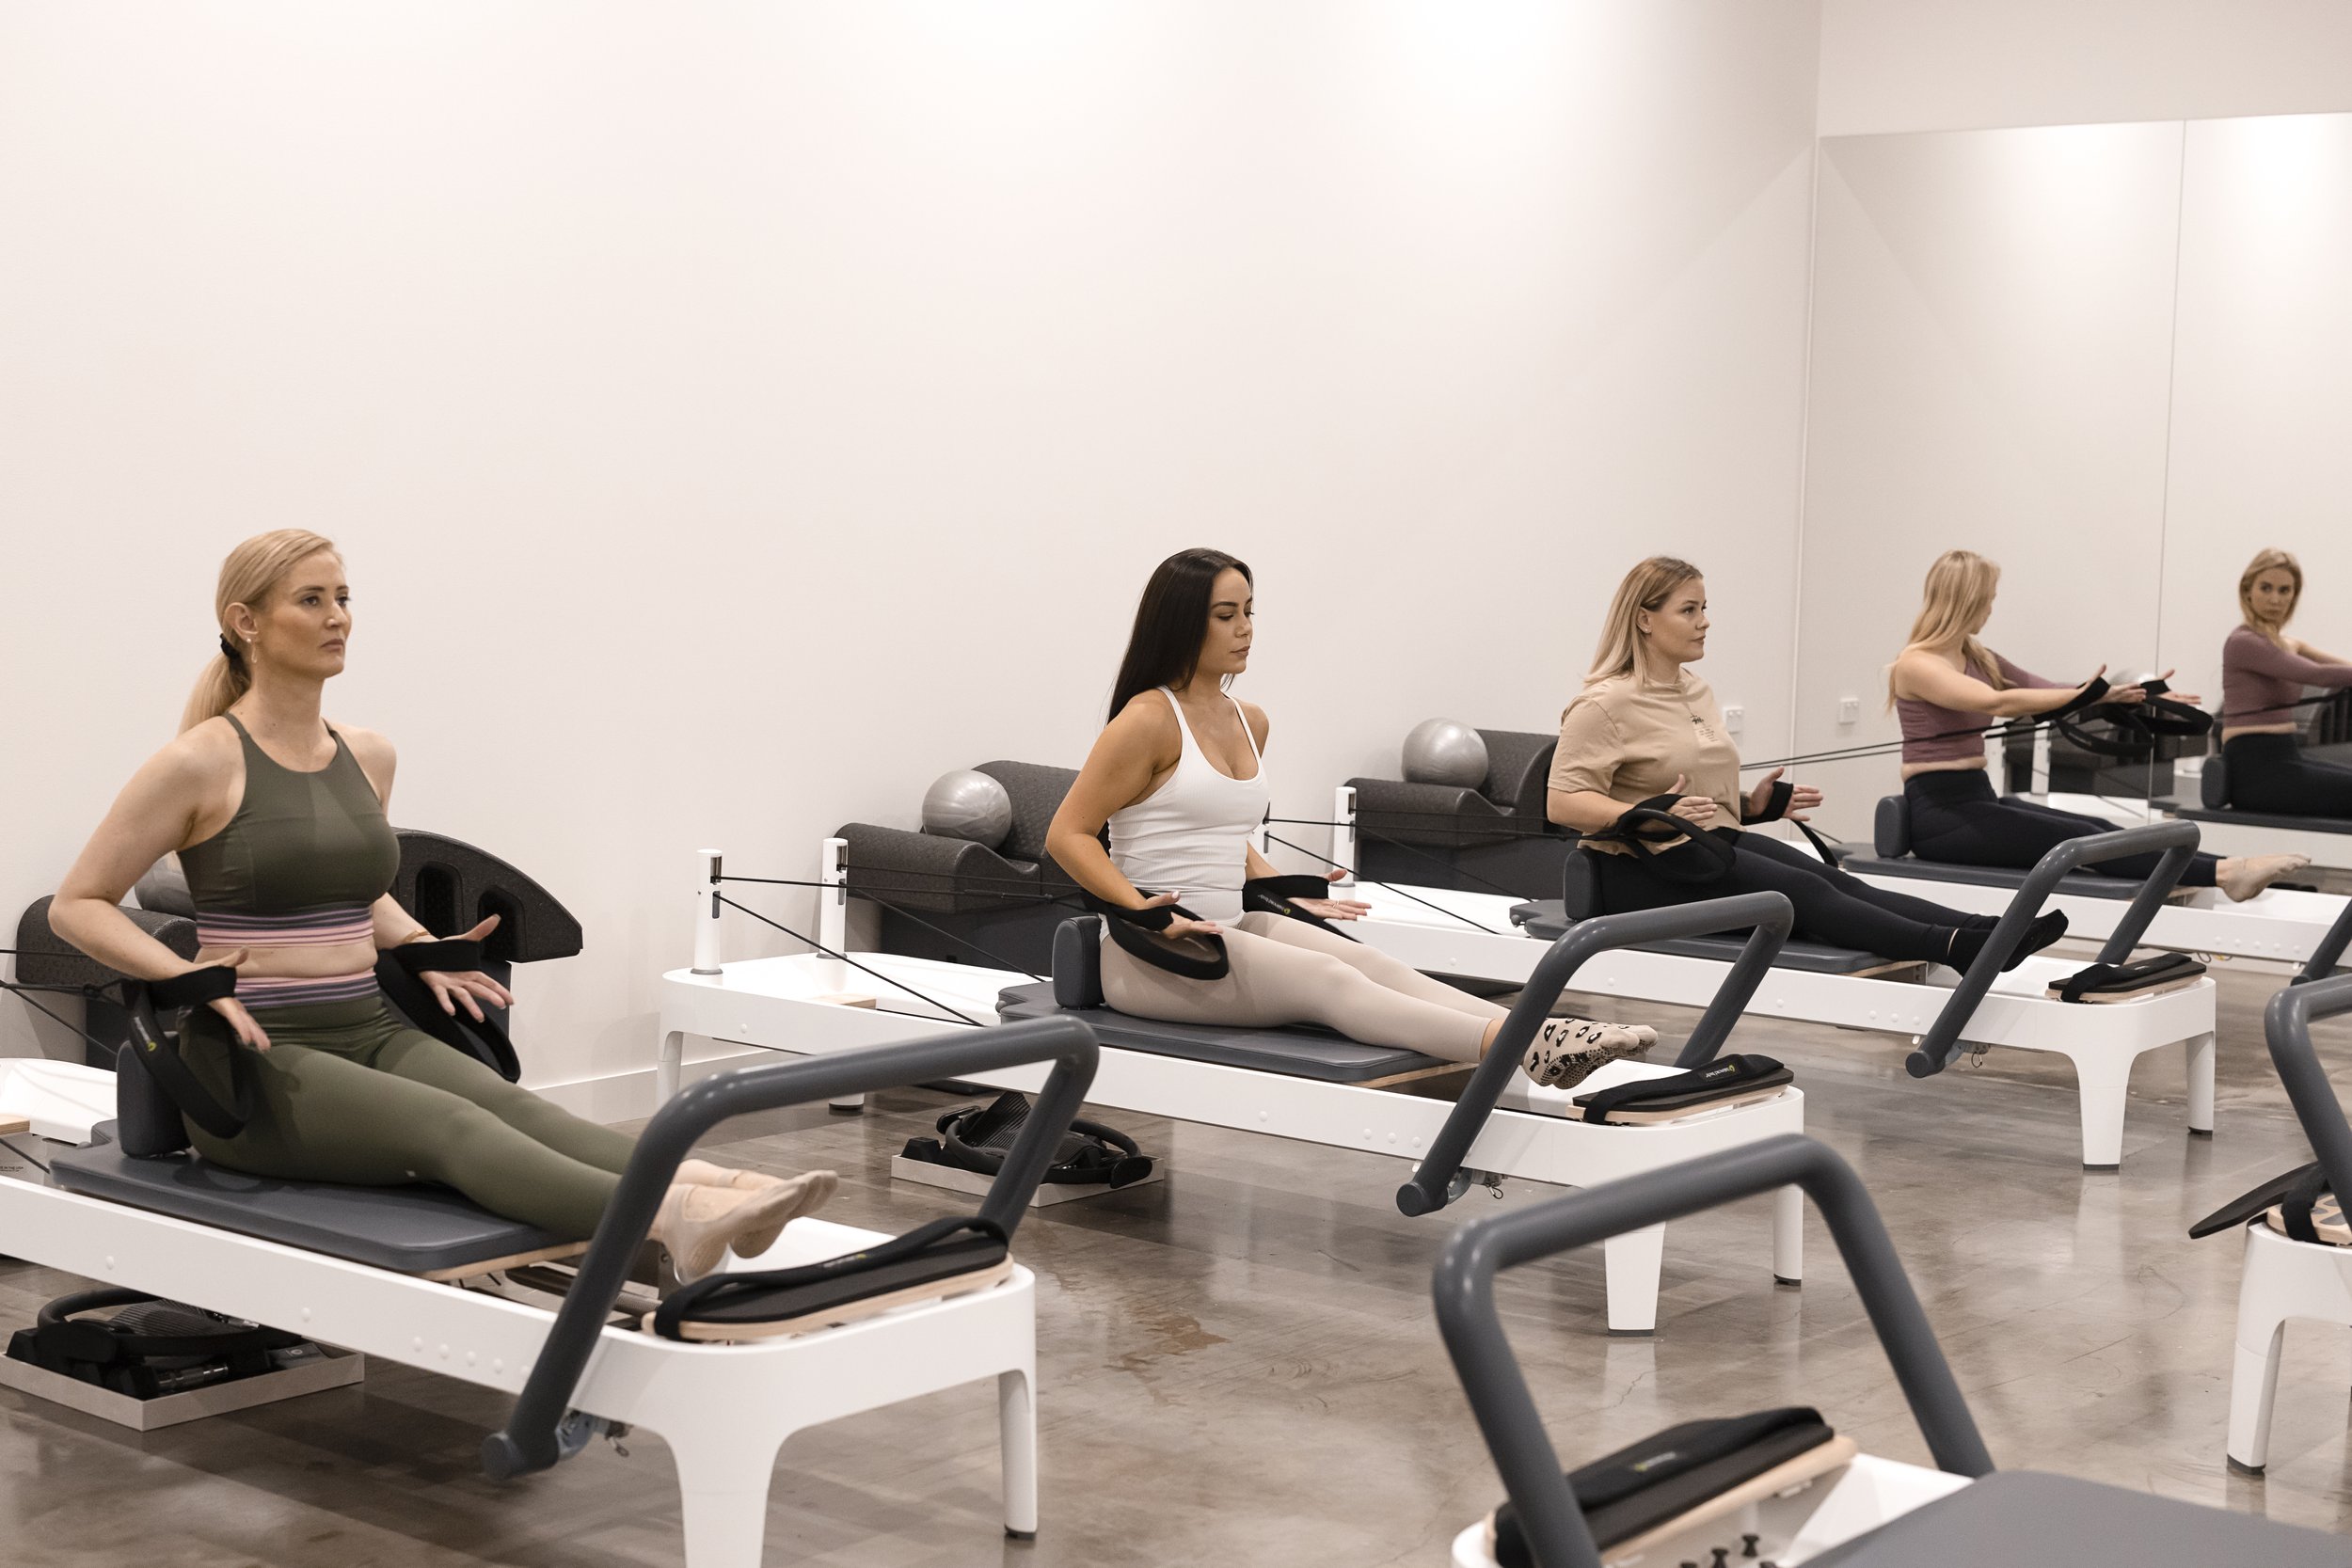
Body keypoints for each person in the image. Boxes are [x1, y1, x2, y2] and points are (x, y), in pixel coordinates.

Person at [48, 529, 832, 1278]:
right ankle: (676, 1218)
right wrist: (187, 974)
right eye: (311, 600)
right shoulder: (199, 762)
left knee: (517, 1109)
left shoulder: (367, 753)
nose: (338, 618)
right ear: (244, 621)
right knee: (452, 1129)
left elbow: (350, 885)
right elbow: (78, 904)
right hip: (254, 1064)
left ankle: (731, 1188)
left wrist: (420, 943)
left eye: (344, 598)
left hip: (368, 1025)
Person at [1044, 547, 1657, 1090]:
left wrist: (1281, 889)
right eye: (1225, 615)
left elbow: (1221, 830)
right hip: (1151, 955)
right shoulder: (1146, 719)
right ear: (1181, 624)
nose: (1245, 629)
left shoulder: (1248, 719)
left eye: (1250, 611)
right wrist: (1144, 907)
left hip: (1229, 924)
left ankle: (1542, 1028)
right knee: (1328, 979)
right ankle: (1524, 1048)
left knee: (1375, 964)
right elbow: (1068, 834)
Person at [1547, 556, 2067, 971]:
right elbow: (1562, 803)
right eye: (1689, 610)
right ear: (1644, 619)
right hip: (1636, 871)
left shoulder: (1694, 690)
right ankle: (1957, 947)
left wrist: (1753, 805)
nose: (1705, 622)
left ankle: (1992, 931)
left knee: (1839, 881)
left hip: (1705, 847)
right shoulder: (1604, 704)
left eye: (1705, 608)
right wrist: (1647, 812)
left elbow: (1694, 797)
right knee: (1802, 892)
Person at [1888, 549, 2302, 900]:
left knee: (2097, 828)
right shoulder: (1916, 664)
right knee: (2078, 843)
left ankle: (2229, 869)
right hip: (1941, 815)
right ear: (1967, 599)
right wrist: (2095, 695)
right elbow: (1999, 702)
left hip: (1978, 800)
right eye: (1989, 599)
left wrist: (2136, 695)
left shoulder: (1979, 657)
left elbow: (2050, 688)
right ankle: (2226, 874)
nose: (1991, 608)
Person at [2219, 547, 2352, 818]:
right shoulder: (2243, 642)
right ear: (2247, 590)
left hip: (2286, 757)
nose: (2275, 599)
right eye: (2266, 588)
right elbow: (2318, 675)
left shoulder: (2287, 643)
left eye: (2284, 591)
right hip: (2256, 770)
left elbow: (2340, 666)